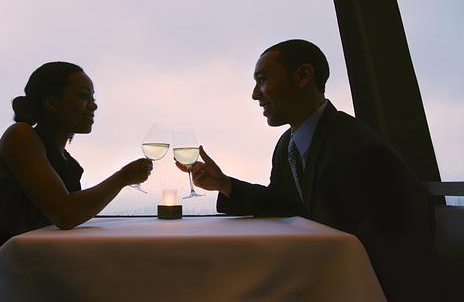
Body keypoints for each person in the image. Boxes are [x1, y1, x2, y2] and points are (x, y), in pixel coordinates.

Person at [177, 40, 439, 301]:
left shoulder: (358, 149)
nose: (255, 94)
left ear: (303, 76)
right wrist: (225, 185)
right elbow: (283, 204)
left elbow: (397, 256)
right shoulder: (287, 145)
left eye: (263, 79)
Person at [0, 62, 153, 268]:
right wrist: (123, 177)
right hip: (5, 272)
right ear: (51, 103)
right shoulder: (20, 136)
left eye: (93, 98)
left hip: (40, 265)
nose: (94, 105)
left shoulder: (66, 160)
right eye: (84, 96)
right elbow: (65, 214)